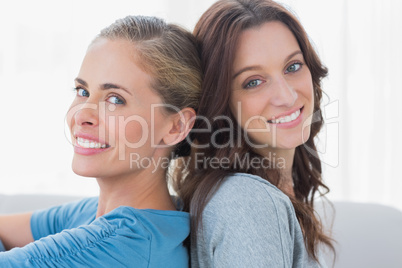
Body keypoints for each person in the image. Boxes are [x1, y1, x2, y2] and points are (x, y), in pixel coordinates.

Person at [0, 15, 201, 267]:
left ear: (176, 126)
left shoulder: (122, 248)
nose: (82, 114)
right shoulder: (100, 213)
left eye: (115, 99)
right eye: (82, 91)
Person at [173, 0, 335, 267]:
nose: (287, 95)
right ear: (219, 102)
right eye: (253, 82)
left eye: (292, 66)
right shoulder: (250, 203)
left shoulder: (258, 192)